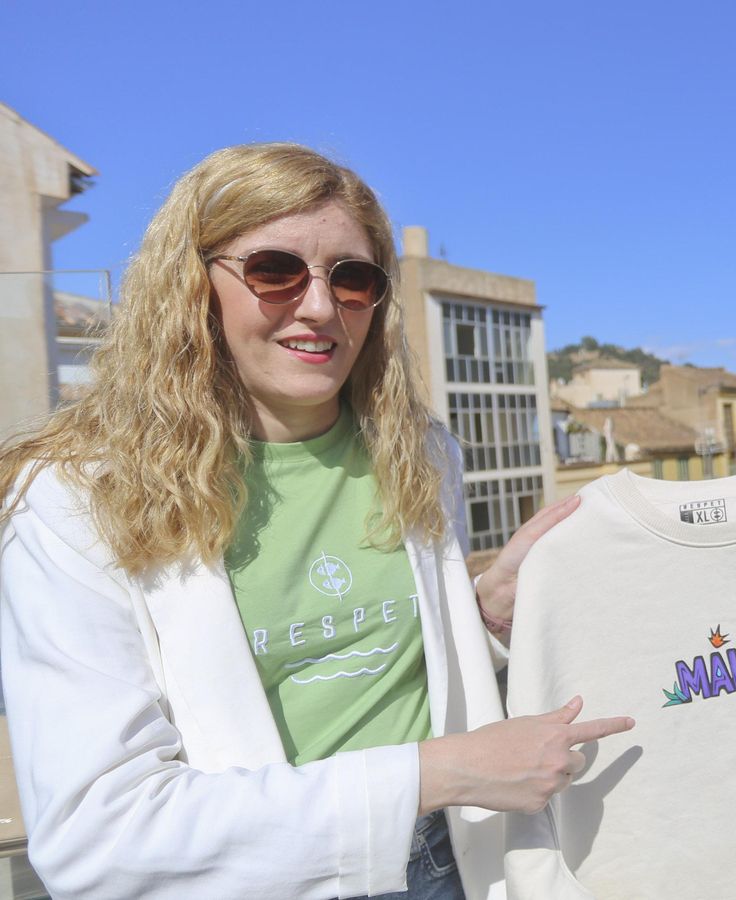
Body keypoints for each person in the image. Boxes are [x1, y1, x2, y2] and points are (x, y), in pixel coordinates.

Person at [0, 143, 633, 899]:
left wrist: (485, 614)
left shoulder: (421, 452)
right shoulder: (75, 497)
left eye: (353, 278)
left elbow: (387, 666)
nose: (321, 308)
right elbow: (97, 838)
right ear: (192, 285)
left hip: (452, 865)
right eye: (276, 271)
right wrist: (440, 773)